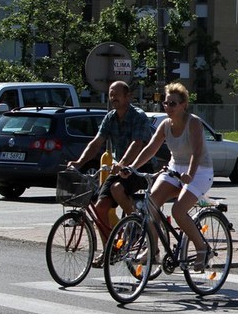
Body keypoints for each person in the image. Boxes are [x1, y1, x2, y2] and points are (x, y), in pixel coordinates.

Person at [124, 82, 214, 271]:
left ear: (183, 105)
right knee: (151, 203)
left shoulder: (193, 122)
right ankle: (154, 250)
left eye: (173, 103)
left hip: (200, 171)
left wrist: (190, 174)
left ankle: (202, 248)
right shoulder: (165, 124)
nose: (168, 107)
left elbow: (197, 152)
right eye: (166, 103)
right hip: (175, 168)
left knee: (178, 211)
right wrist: (132, 167)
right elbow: (151, 148)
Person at [68, 80, 152, 267]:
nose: (112, 98)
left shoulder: (139, 116)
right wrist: (80, 162)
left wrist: (122, 163)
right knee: (100, 208)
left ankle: (135, 222)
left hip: (140, 168)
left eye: (116, 94)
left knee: (116, 188)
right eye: (110, 94)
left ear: (128, 96)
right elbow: (97, 142)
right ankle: (110, 249)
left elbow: (137, 144)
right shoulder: (110, 117)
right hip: (120, 168)